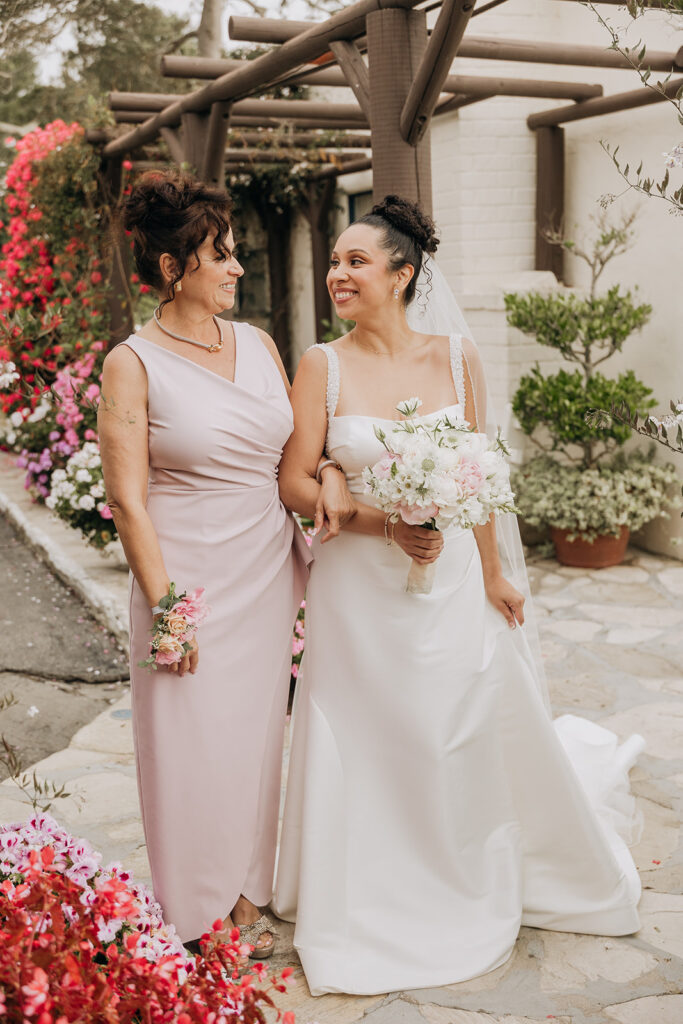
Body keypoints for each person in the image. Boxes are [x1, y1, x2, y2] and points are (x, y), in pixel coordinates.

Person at [272, 195, 642, 995]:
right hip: (356, 592)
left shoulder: (457, 359)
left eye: (356, 262)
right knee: (370, 728)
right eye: (335, 262)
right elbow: (294, 482)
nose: (338, 274)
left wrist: (497, 571)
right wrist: (378, 521)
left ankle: (454, 865)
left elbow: (475, 473)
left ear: (403, 274)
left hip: (447, 584)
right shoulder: (320, 364)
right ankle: (367, 885)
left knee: (448, 724)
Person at [98, 171, 353, 958]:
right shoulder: (131, 364)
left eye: (236, 253)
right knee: (190, 746)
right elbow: (128, 501)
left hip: (266, 569)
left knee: (252, 740)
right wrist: (168, 602)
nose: (237, 269)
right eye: (221, 255)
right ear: (174, 267)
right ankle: (197, 915)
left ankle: (248, 902)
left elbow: (298, 451)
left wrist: (335, 477)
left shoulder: (258, 344)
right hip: (189, 581)